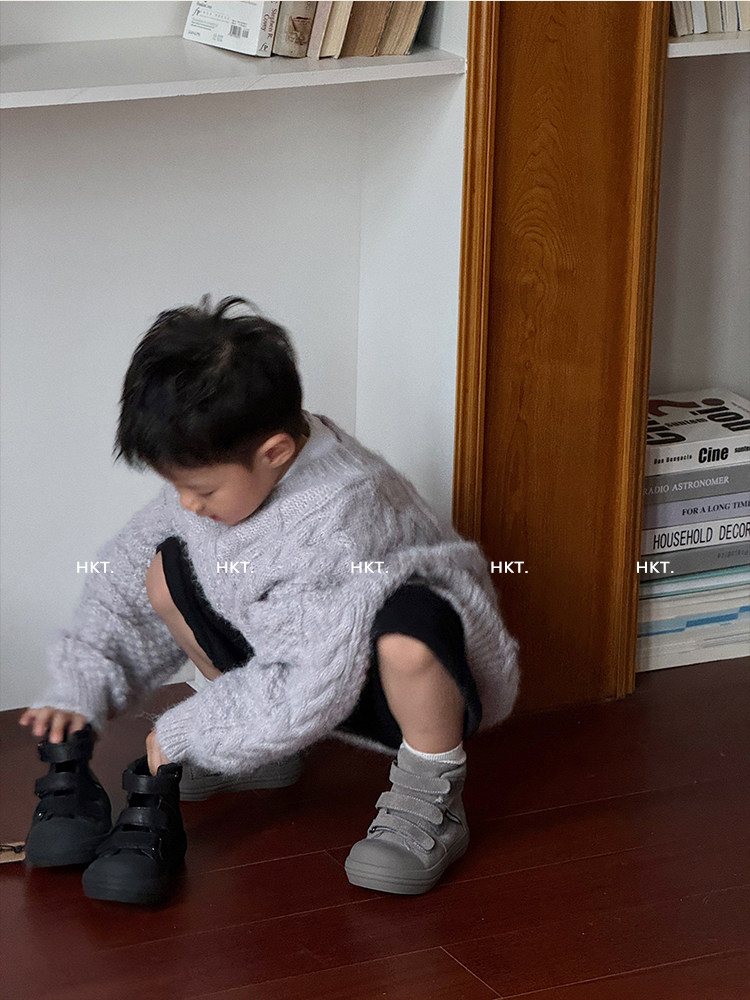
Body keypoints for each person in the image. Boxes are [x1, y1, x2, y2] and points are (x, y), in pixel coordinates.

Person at [19, 295, 519, 903]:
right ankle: (259, 752)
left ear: (275, 452)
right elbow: (121, 574)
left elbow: (311, 682)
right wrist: (81, 682)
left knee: (408, 635)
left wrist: (190, 728)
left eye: (201, 490)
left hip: (389, 679)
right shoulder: (235, 466)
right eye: (177, 487)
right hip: (300, 651)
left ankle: (429, 791)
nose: (187, 503)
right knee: (162, 570)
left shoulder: (339, 520)